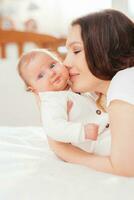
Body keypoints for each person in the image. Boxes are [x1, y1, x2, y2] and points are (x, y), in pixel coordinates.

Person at [47, 9, 134, 177]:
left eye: (76, 51)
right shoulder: (110, 92)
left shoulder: (124, 81)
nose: (65, 63)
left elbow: (126, 167)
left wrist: (63, 150)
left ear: (107, 49)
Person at [17, 49, 108, 152]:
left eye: (52, 65)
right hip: (95, 142)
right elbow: (54, 128)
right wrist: (81, 132)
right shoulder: (52, 101)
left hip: (108, 127)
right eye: (40, 76)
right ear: (34, 90)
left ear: (60, 61)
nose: (51, 73)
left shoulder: (74, 83)